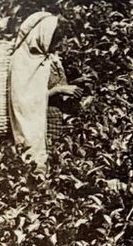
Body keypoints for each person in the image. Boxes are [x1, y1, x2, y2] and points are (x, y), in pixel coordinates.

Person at [9, 12, 82, 171]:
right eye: (54, 40)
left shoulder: (49, 59)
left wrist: (74, 84)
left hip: (57, 126)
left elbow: (52, 84)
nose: (56, 45)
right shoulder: (23, 59)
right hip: (40, 127)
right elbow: (23, 100)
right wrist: (58, 90)